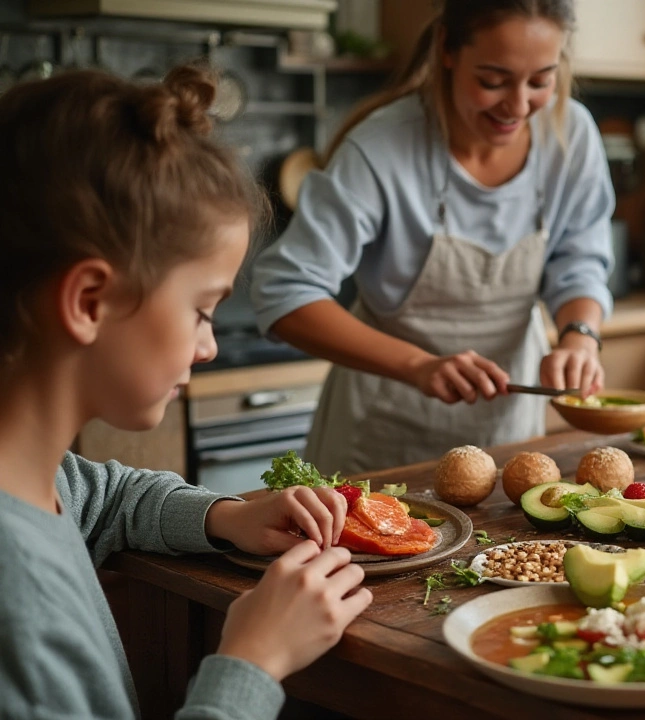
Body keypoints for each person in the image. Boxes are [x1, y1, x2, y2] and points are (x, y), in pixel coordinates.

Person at [0, 66, 373, 719]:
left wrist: (225, 516)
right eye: (201, 310)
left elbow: (107, 496)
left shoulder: (33, 477)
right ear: (89, 300)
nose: (210, 346)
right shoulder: (16, 601)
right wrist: (252, 662)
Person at [251, 0, 616, 475]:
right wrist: (418, 365)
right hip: (383, 434)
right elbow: (284, 294)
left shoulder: (572, 135)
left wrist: (579, 335)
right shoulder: (380, 147)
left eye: (541, 80)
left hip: (508, 431)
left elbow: (581, 260)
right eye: (493, 80)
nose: (519, 105)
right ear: (447, 48)